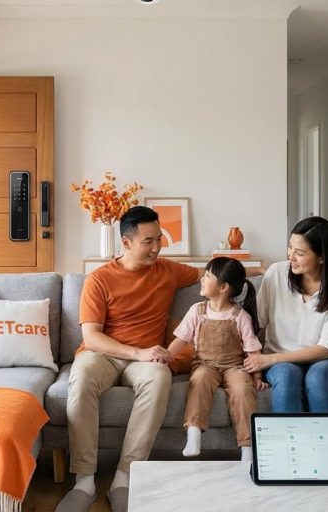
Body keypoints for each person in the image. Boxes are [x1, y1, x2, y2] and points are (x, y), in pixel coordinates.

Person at [56, 206, 201, 512]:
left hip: (146, 361)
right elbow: (91, 337)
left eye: (159, 239)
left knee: (160, 378)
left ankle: (125, 477)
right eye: (148, 241)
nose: (157, 247)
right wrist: (137, 352)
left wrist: (271, 273)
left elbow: (215, 273)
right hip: (103, 354)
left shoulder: (169, 270)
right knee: (79, 380)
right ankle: (84, 480)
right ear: (126, 242)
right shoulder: (99, 280)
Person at [243, 216, 328, 413]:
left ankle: (325, 443)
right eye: (290, 248)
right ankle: (286, 444)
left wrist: (268, 359)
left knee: (318, 378)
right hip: (282, 361)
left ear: (322, 257)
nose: (290, 257)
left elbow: (325, 349)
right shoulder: (277, 273)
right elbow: (255, 323)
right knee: (286, 377)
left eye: (300, 253)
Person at [167, 257, 268, 462]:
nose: (202, 280)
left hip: (235, 366)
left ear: (223, 287)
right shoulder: (198, 310)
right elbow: (180, 341)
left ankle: (248, 447)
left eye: (207, 276)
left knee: (242, 389)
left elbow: (252, 350)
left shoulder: (240, 316)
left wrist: (257, 376)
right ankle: (194, 435)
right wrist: (165, 357)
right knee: (200, 381)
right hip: (205, 364)